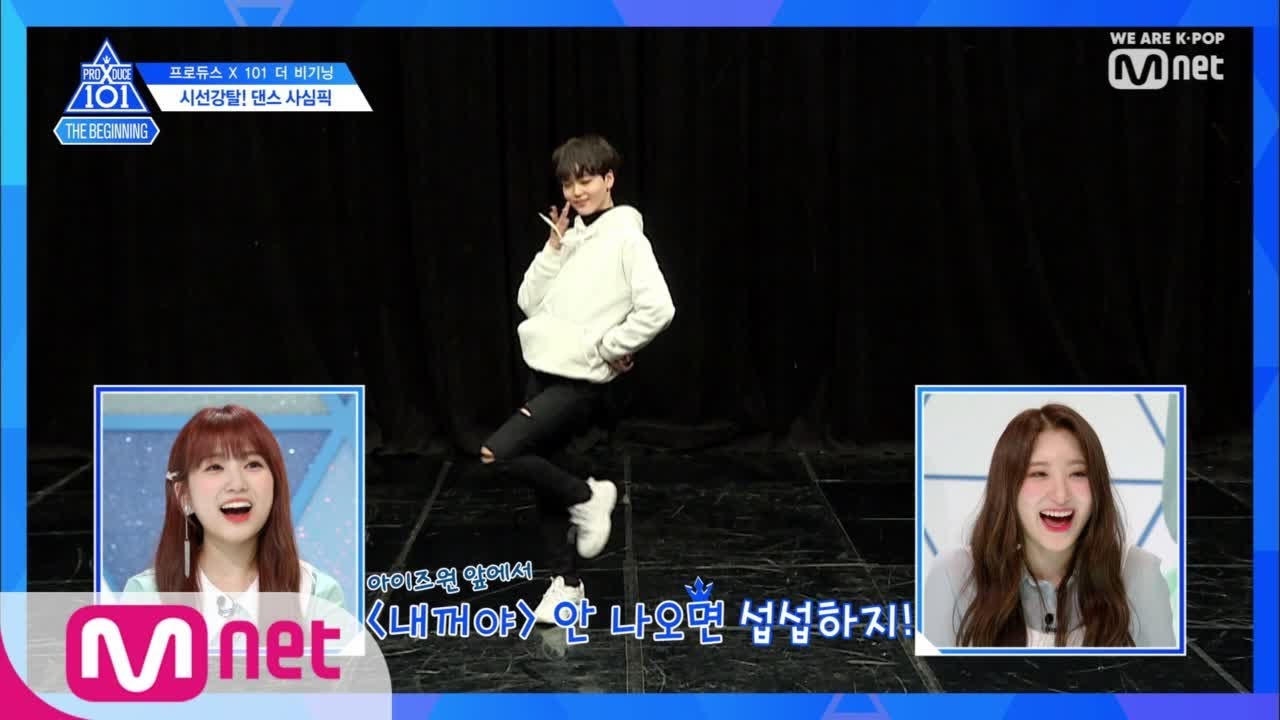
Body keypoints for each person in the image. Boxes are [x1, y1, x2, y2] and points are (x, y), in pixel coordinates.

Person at [481, 134, 675, 624]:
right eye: (568, 183)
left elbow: (658, 308)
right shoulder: (573, 238)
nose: (576, 192)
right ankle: (566, 588)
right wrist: (553, 248)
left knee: (500, 452)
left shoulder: (627, 238)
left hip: (578, 380)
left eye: (586, 180)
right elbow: (528, 301)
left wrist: (611, 346)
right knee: (546, 480)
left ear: (609, 179)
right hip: (542, 370)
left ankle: (590, 496)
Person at [923, 403, 1174, 648]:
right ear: (1007, 487)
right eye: (1039, 474)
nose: (1061, 495)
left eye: (1078, 473)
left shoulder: (1138, 574)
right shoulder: (955, 576)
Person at [123, 404, 345, 636]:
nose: (237, 484)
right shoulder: (146, 597)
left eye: (252, 465)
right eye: (215, 467)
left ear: (276, 483)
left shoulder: (317, 595)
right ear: (183, 494)